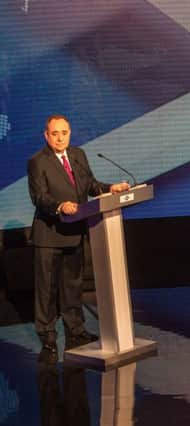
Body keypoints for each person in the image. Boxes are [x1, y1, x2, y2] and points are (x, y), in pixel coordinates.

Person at [27, 114, 130, 363]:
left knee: (73, 285)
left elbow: (90, 185)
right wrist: (61, 205)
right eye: (55, 133)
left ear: (70, 133)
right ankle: (47, 334)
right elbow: (39, 197)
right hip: (49, 234)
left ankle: (76, 330)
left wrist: (109, 188)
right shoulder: (37, 162)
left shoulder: (78, 155)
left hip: (75, 232)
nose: (60, 138)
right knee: (47, 290)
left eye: (64, 133)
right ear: (46, 135)